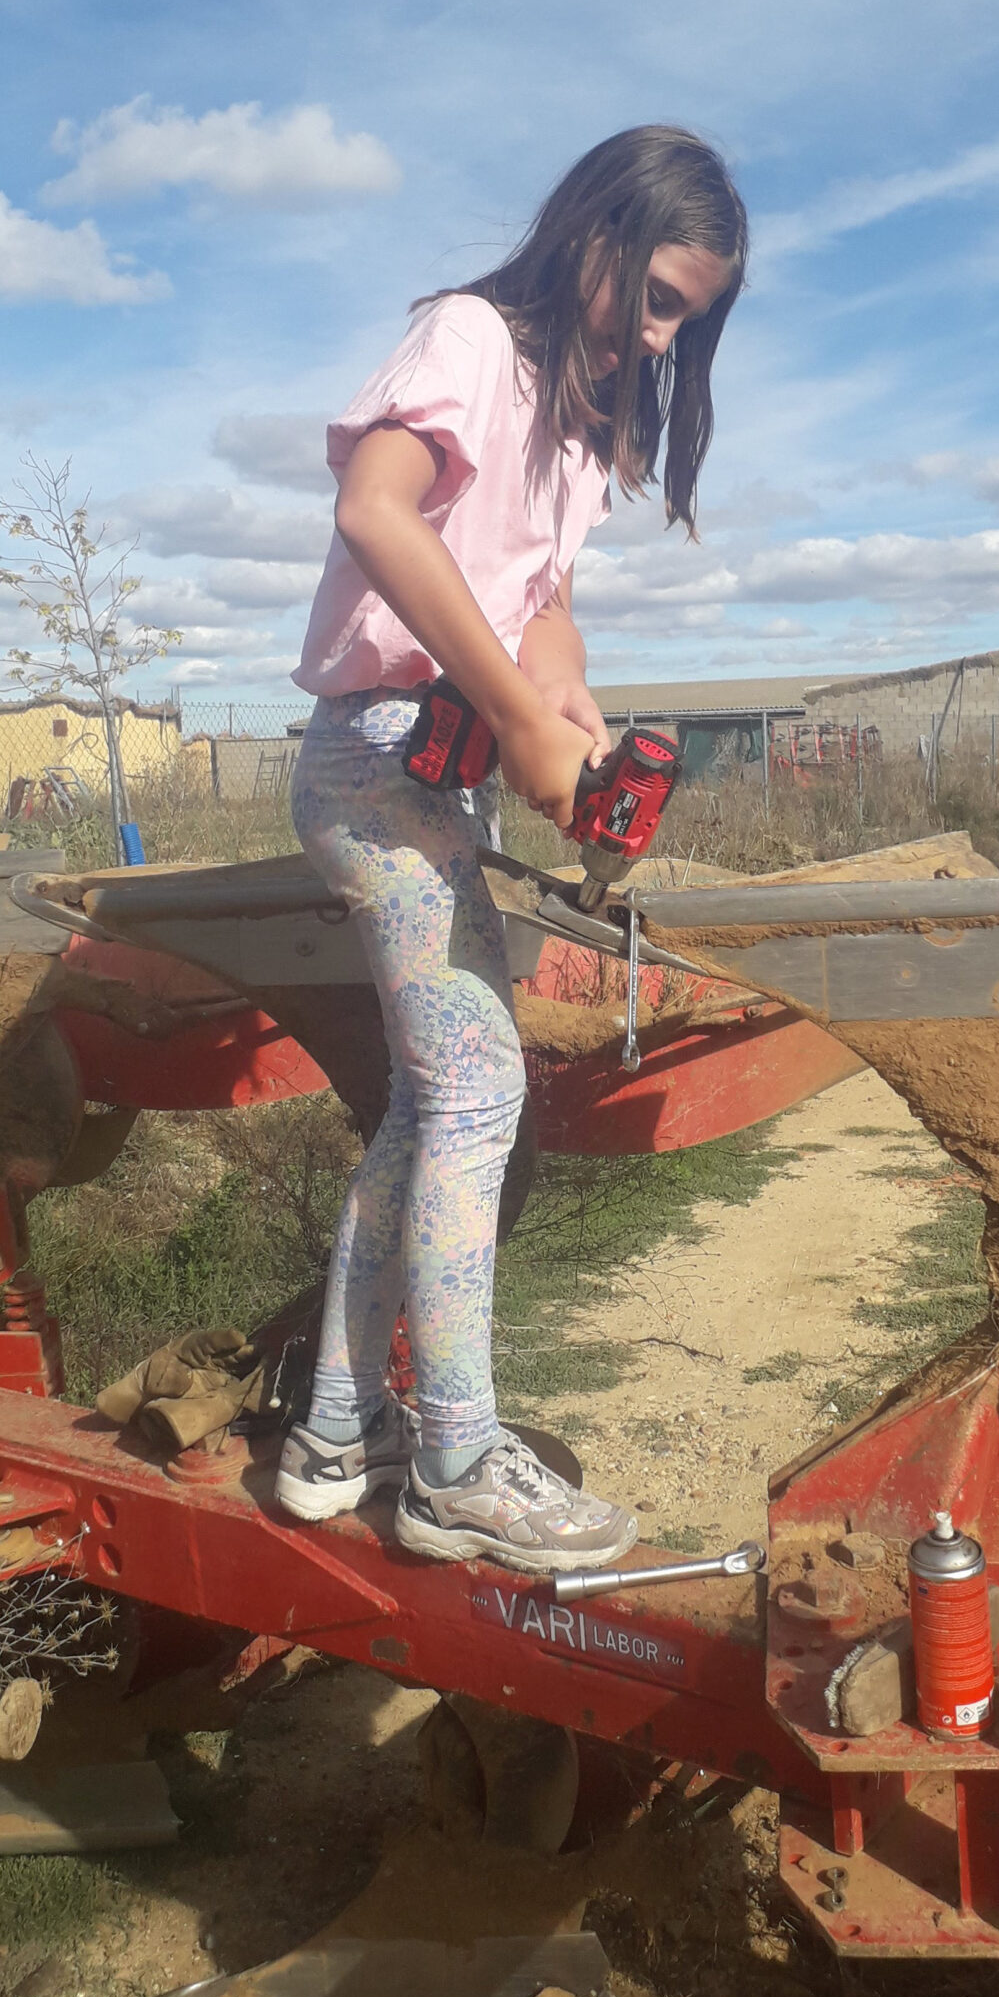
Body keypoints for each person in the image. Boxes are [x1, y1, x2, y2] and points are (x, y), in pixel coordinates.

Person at [274, 125, 747, 1573]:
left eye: (690, 321)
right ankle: (458, 1467)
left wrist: (568, 703)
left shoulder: (570, 417)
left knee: (435, 1108)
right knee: (480, 1095)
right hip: (378, 763)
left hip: (441, 776)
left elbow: (539, 601)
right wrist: (510, 714)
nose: (661, 336)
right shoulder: (471, 339)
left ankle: (334, 1435)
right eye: (657, 296)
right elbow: (374, 511)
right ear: (594, 235)